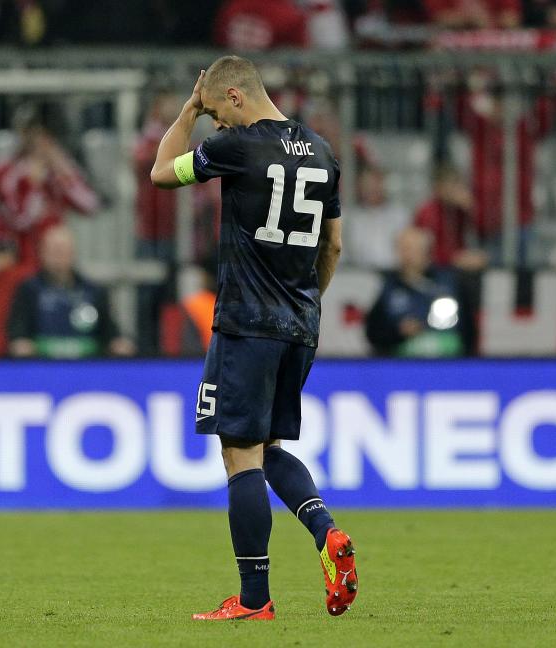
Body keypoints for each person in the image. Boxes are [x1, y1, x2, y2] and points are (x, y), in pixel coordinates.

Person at [149, 55, 355, 621]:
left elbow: (162, 172)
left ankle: (253, 598)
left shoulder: (237, 147)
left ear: (235, 96)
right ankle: (326, 531)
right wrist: (308, 302)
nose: (216, 124)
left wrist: (188, 109)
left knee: (240, 456)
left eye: (217, 111)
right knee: (268, 447)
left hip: (245, 322)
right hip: (301, 323)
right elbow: (333, 246)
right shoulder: (322, 150)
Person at [6, 225, 134, 359]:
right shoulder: (29, 289)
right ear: (42, 253)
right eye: (54, 251)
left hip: (88, 366)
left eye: (63, 251)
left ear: (73, 253)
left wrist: (119, 343)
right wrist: (20, 342)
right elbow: (17, 330)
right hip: (42, 366)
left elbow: (111, 332)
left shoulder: (94, 290)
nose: (58, 257)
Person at [0, 119, 98, 265]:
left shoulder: (57, 174)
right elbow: (18, 221)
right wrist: (33, 186)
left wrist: (68, 174)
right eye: (37, 142)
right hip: (24, 255)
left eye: (47, 142)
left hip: (56, 254)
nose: (43, 148)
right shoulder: (9, 172)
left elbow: (90, 205)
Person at [364, 227, 465, 357]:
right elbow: (373, 333)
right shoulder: (388, 286)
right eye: (402, 249)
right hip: (401, 364)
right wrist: (398, 332)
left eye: (412, 249)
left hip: (445, 362)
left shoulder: (448, 283)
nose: (406, 255)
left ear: (427, 252)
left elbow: (466, 329)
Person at [413, 165, 488, 271]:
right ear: (438, 187)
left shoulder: (459, 209)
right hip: (435, 267)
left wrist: (472, 209)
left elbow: (482, 232)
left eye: (457, 185)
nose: (455, 190)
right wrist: (453, 259)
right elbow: (427, 251)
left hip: (458, 264)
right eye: (451, 185)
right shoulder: (427, 212)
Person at [342, 165, 411, 269]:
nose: (373, 188)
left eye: (377, 183)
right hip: (359, 274)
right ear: (359, 186)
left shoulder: (399, 215)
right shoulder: (348, 217)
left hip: (393, 274)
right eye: (368, 184)